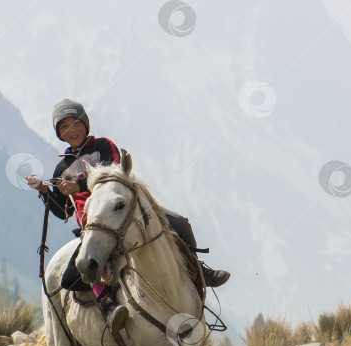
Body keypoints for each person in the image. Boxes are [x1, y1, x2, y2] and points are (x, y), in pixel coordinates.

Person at [27, 99, 230, 332]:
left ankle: (198, 269)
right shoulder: (61, 170)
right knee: (81, 269)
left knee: (180, 224)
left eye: (75, 123)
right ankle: (107, 305)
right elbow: (61, 209)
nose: (71, 130)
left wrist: (79, 186)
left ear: (85, 124)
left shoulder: (103, 145)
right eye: (64, 127)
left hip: (126, 210)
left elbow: (115, 172)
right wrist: (44, 190)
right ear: (59, 134)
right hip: (93, 222)